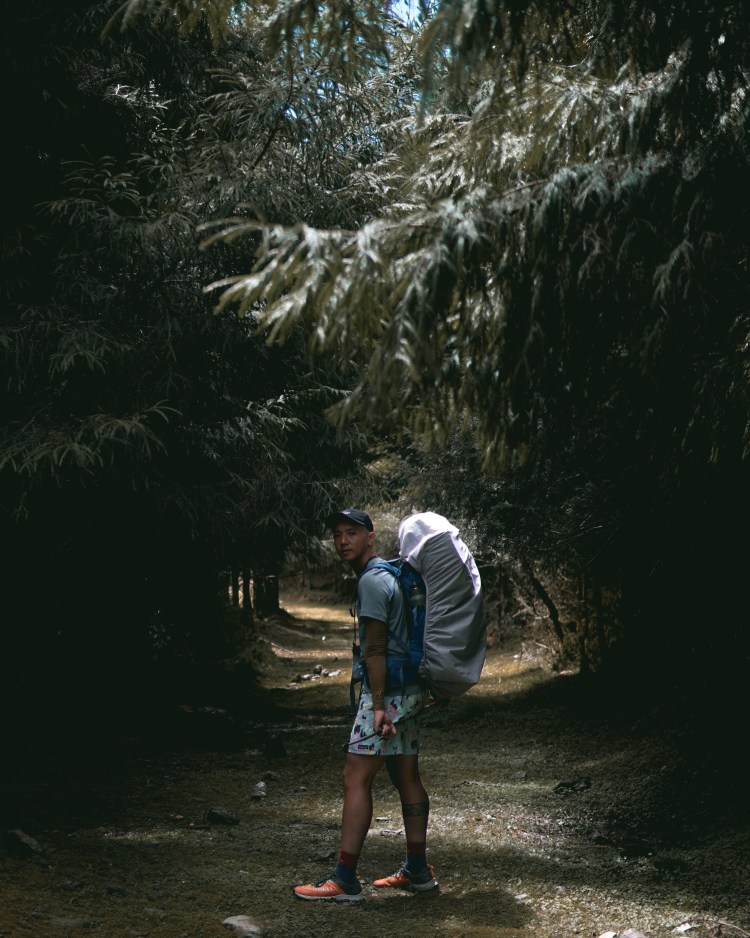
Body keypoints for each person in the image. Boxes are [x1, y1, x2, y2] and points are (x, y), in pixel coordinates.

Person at [293, 507, 437, 902]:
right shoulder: (390, 576)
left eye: (352, 532)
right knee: (406, 775)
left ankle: (344, 879)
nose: (343, 540)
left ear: (370, 537)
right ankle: (418, 870)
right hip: (407, 690)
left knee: (355, 776)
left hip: (386, 694)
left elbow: (374, 649)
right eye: (337, 533)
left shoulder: (373, 582)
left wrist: (375, 707)